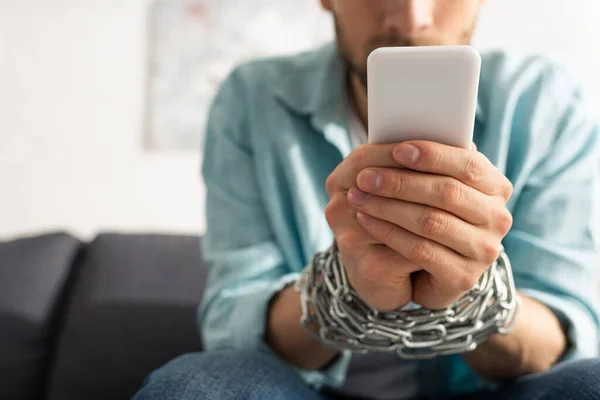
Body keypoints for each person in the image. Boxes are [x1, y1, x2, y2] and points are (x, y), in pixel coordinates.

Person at [133, 1, 600, 399]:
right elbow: (231, 322)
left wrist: (468, 294)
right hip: (310, 387)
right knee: (192, 388)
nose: (411, 18)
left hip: (489, 389)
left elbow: (562, 335)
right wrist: (345, 291)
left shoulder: (545, 100)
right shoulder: (252, 100)